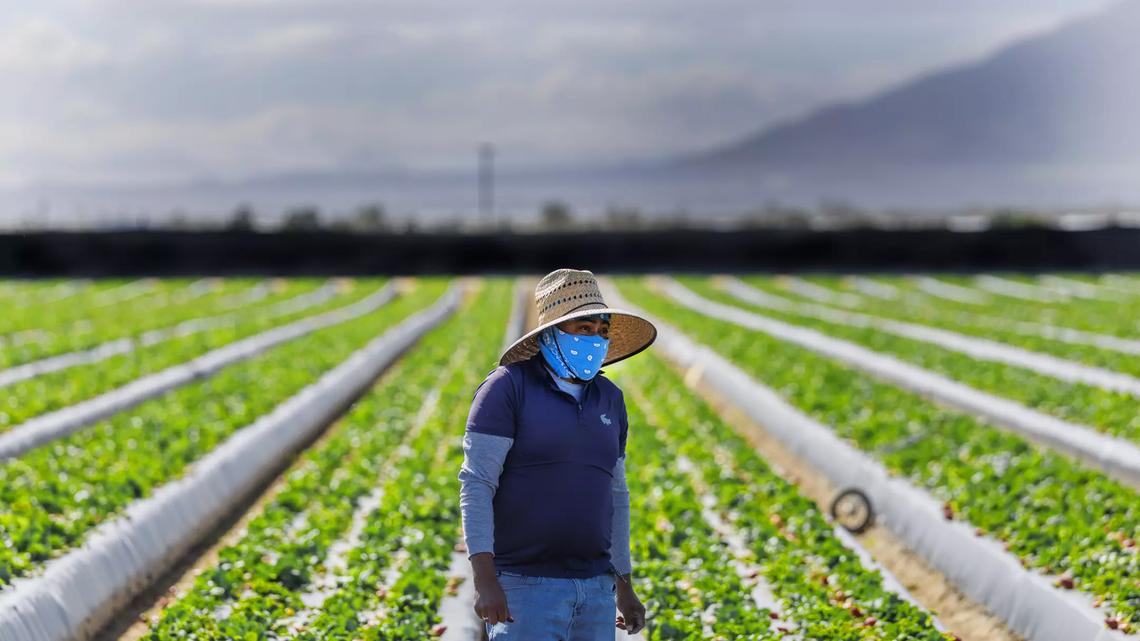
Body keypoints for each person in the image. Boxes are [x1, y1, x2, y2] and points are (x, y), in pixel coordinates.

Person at [459, 269, 656, 639]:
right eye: (584, 329)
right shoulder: (507, 388)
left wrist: (623, 583)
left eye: (602, 331)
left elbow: (616, 494)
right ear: (551, 333)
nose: (596, 339)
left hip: (596, 589)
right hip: (524, 587)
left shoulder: (610, 398)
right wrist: (484, 578)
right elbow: (477, 484)